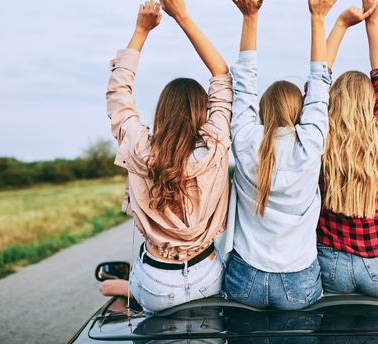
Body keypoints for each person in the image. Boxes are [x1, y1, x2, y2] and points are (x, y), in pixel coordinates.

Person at [100, 0, 233, 313]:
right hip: (207, 276)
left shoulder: (139, 150)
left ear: (162, 112)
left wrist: (141, 31)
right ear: (203, 112)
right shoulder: (214, 147)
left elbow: (119, 93)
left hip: (157, 281)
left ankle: (125, 291)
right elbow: (222, 75)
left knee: (123, 306)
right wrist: (182, 16)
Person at [221, 0, 335, 310]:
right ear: (300, 113)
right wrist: (319, 17)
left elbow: (244, 83)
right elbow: (320, 87)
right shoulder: (310, 143)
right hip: (298, 279)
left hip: (246, 277)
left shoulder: (245, 140)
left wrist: (250, 17)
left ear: (261, 110)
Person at [316, 0, 378, 305]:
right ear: (370, 103)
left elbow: (318, 81)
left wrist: (340, 25)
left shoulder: (320, 138)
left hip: (330, 262)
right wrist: (373, 24)